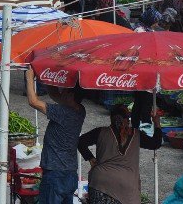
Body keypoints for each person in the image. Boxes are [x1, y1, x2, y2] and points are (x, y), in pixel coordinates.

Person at [78, 104, 163, 204]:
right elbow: (155, 143)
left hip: (100, 181)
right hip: (126, 185)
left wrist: (90, 158)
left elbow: (80, 142)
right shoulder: (136, 135)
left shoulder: (100, 132)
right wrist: (157, 123)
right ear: (128, 119)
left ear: (111, 118)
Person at [24, 68, 86, 204]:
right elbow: (54, 94)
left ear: (70, 95)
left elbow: (33, 101)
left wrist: (29, 77)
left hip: (55, 175)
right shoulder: (81, 110)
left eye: (64, 90)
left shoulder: (62, 112)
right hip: (70, 175)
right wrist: (46, 74)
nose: (61, 91)